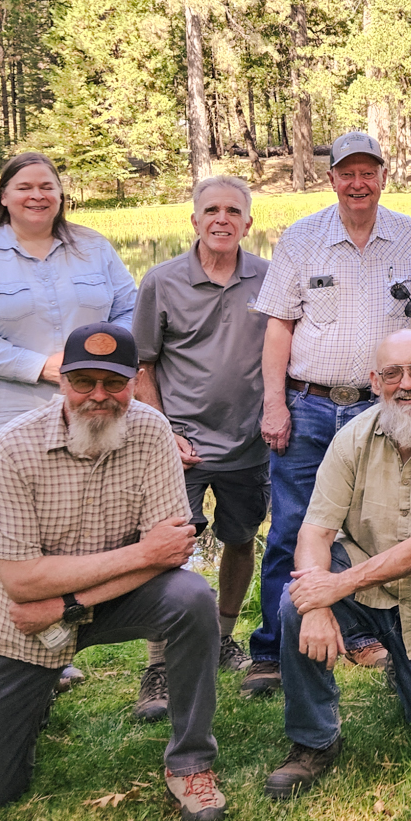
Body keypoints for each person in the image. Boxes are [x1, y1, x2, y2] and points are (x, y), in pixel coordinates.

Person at [0, 323, 227, 821]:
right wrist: (141, 554)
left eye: (114, 382)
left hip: (68, 607)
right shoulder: (11, 449)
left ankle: (190, 762)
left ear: (136, 379)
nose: (98, 396)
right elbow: (21, 584)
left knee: (192, 599)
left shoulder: (152, 433)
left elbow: (169, 557)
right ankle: (35, 690)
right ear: (61, 381)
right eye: (84, 382)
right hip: (18, 622)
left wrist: (69, 605)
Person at [263, 329, 411, 800]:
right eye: (392, 373)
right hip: (365, 588)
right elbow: (314, 533)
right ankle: (314, 741)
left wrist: (335, 586)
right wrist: (316, 604)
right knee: (297, 599)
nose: (406, 383)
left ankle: (402, 665)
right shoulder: (352, 437)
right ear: (375, 381)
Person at [257, 131, 411, 673]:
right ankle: (274, 646)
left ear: (383, 177)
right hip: (309, 403)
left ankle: (362, 630)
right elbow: (278, 327)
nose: (358, 183)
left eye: (368, 173)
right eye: (347, 173)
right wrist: (275, 405)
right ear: (332, 177)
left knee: (372, 525)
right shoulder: (300, 238)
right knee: (293, 526)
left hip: (384, 406)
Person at [130, 175, 273, 720]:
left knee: (240, 539)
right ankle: (160, 663)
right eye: (210, 209)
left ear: (247, 223)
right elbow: (143, 365)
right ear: (194, 220)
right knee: (171, 549)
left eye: (233, 211)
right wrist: (163, 431)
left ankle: (223, 635)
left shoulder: (270, 277)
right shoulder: (161, 282)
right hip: (181, 446)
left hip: (250, 442)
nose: (221, 219)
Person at [0, 151, 136, 488]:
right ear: (4, 196)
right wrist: (41, 366)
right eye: (24, 187)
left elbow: (130, 309)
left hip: (94, 418)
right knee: (9, 537)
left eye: (47, 186)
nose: (37, 196)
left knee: (97, 531)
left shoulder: (94, 247)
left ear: (60, 195)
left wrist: (99, 358)